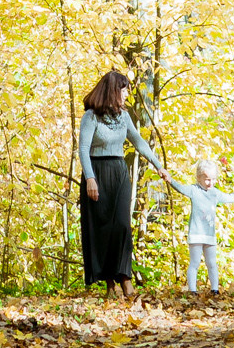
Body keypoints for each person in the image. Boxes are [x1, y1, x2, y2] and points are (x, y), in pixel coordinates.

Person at [77, 69, 163, 297]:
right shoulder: (91, 116)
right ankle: (109, 284)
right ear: (113, 91)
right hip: (96, 173)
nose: (126, 95)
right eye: (123, 90)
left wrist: (158, 165)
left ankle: (125, 278)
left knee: (122, 226)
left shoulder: (123, 116)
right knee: (102, 229)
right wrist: (90, 178)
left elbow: (138, 142)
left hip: (118, 172)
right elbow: (83, 149)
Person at [162, 158, 230, 293]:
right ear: (199, 178)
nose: (210, 183)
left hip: (209, 235)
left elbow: (229, 198)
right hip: (196, 234)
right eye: (207, 179)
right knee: (194, 263)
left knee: (212, 263)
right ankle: (192, 290)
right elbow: (180, 188)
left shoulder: (215, 193)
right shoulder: (194, 190)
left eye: (213, 179)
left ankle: (215, 289)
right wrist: (170, 180)